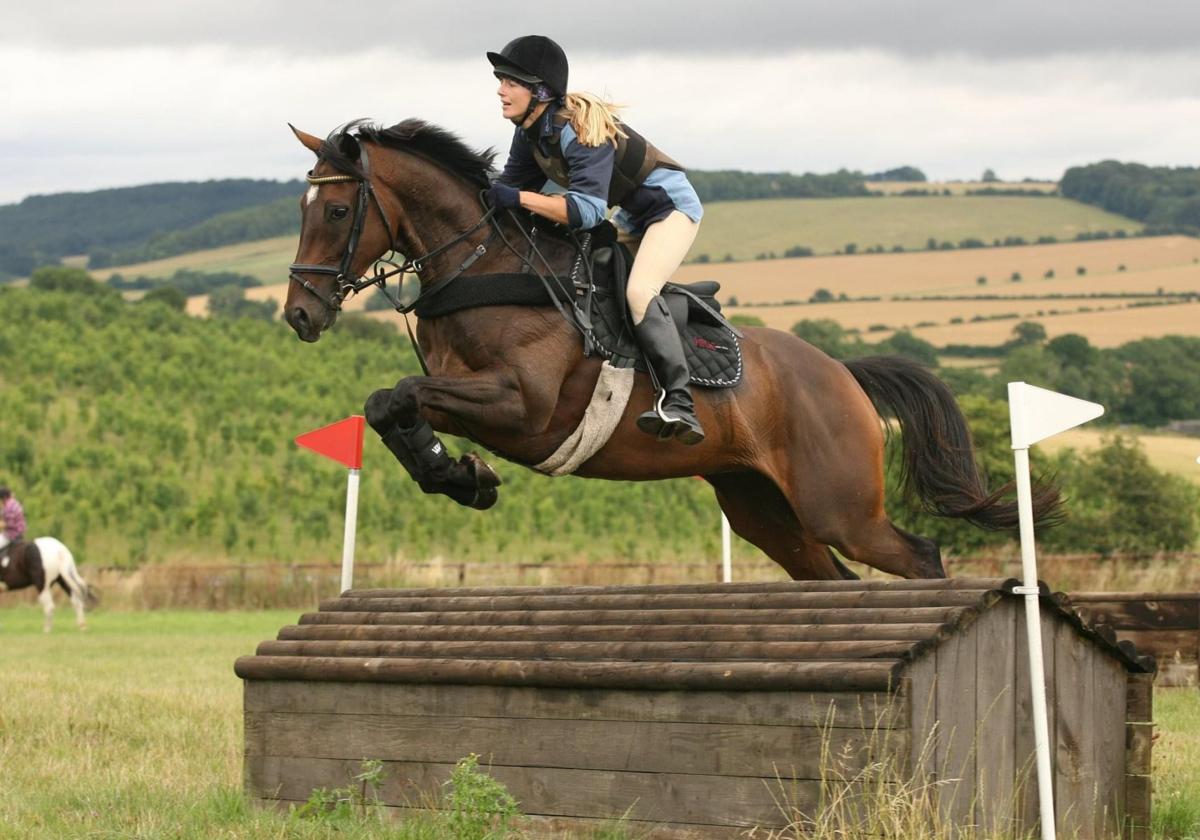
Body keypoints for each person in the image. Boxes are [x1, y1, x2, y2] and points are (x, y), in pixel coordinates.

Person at [484, 35, 706, 445]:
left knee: (639, 291)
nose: (500, 90)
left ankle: (679, 401)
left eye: (511, 82)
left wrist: (518, 197)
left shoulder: (580, 127)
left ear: (541, 92)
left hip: (669, 211)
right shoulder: (530, 134)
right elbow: (508, 192)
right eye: (500, 80)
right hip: (633, 216)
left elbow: (587, 211)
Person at [0, 486, 25, 556]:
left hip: (12, 534)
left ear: (3, 498)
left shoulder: (8, 506)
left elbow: (9, 523)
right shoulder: (14, 502)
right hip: (20, 532)